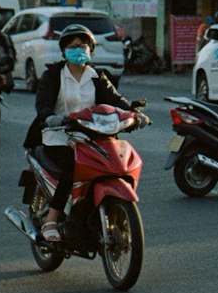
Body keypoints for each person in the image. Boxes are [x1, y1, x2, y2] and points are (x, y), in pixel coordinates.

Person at [21, 23, 141, 245]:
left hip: (92, 136)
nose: (79, 49)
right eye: (73, 46)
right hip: (57, 136)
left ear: (91, 50)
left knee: (114, 162)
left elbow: (116, 101)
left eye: (83, 45)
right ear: (64, 50)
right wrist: (49, 116)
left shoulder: (97, 76)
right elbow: (43, 103)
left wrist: (133, 114)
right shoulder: (53, 75)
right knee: (71, 168)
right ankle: (51, 220)